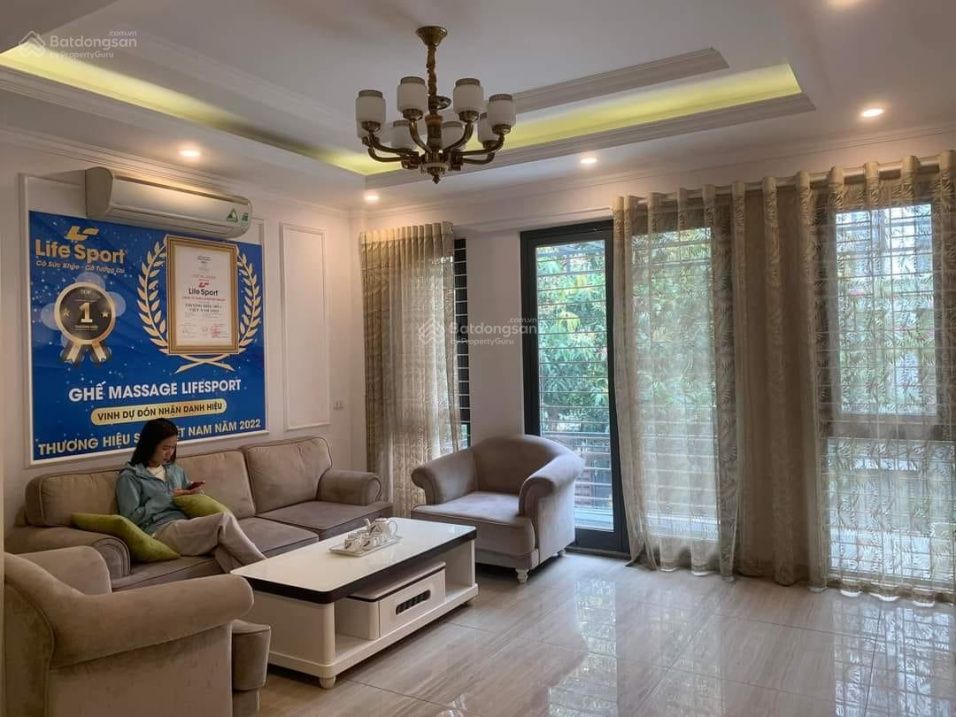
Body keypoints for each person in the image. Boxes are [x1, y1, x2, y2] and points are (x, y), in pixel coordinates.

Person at [116, 418, 265, 572]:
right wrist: (165, 498)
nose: (170, 453)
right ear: (149, 445)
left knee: (225, 549)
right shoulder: (130, 476)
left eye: (173, 447)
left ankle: (254, 583)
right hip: (158, 531)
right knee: (223, 520)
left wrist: (194, 491)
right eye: (165, 448)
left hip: (185, 524)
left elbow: (184, 494)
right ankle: (266, 568)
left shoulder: (175, 470)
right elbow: (130, 519)